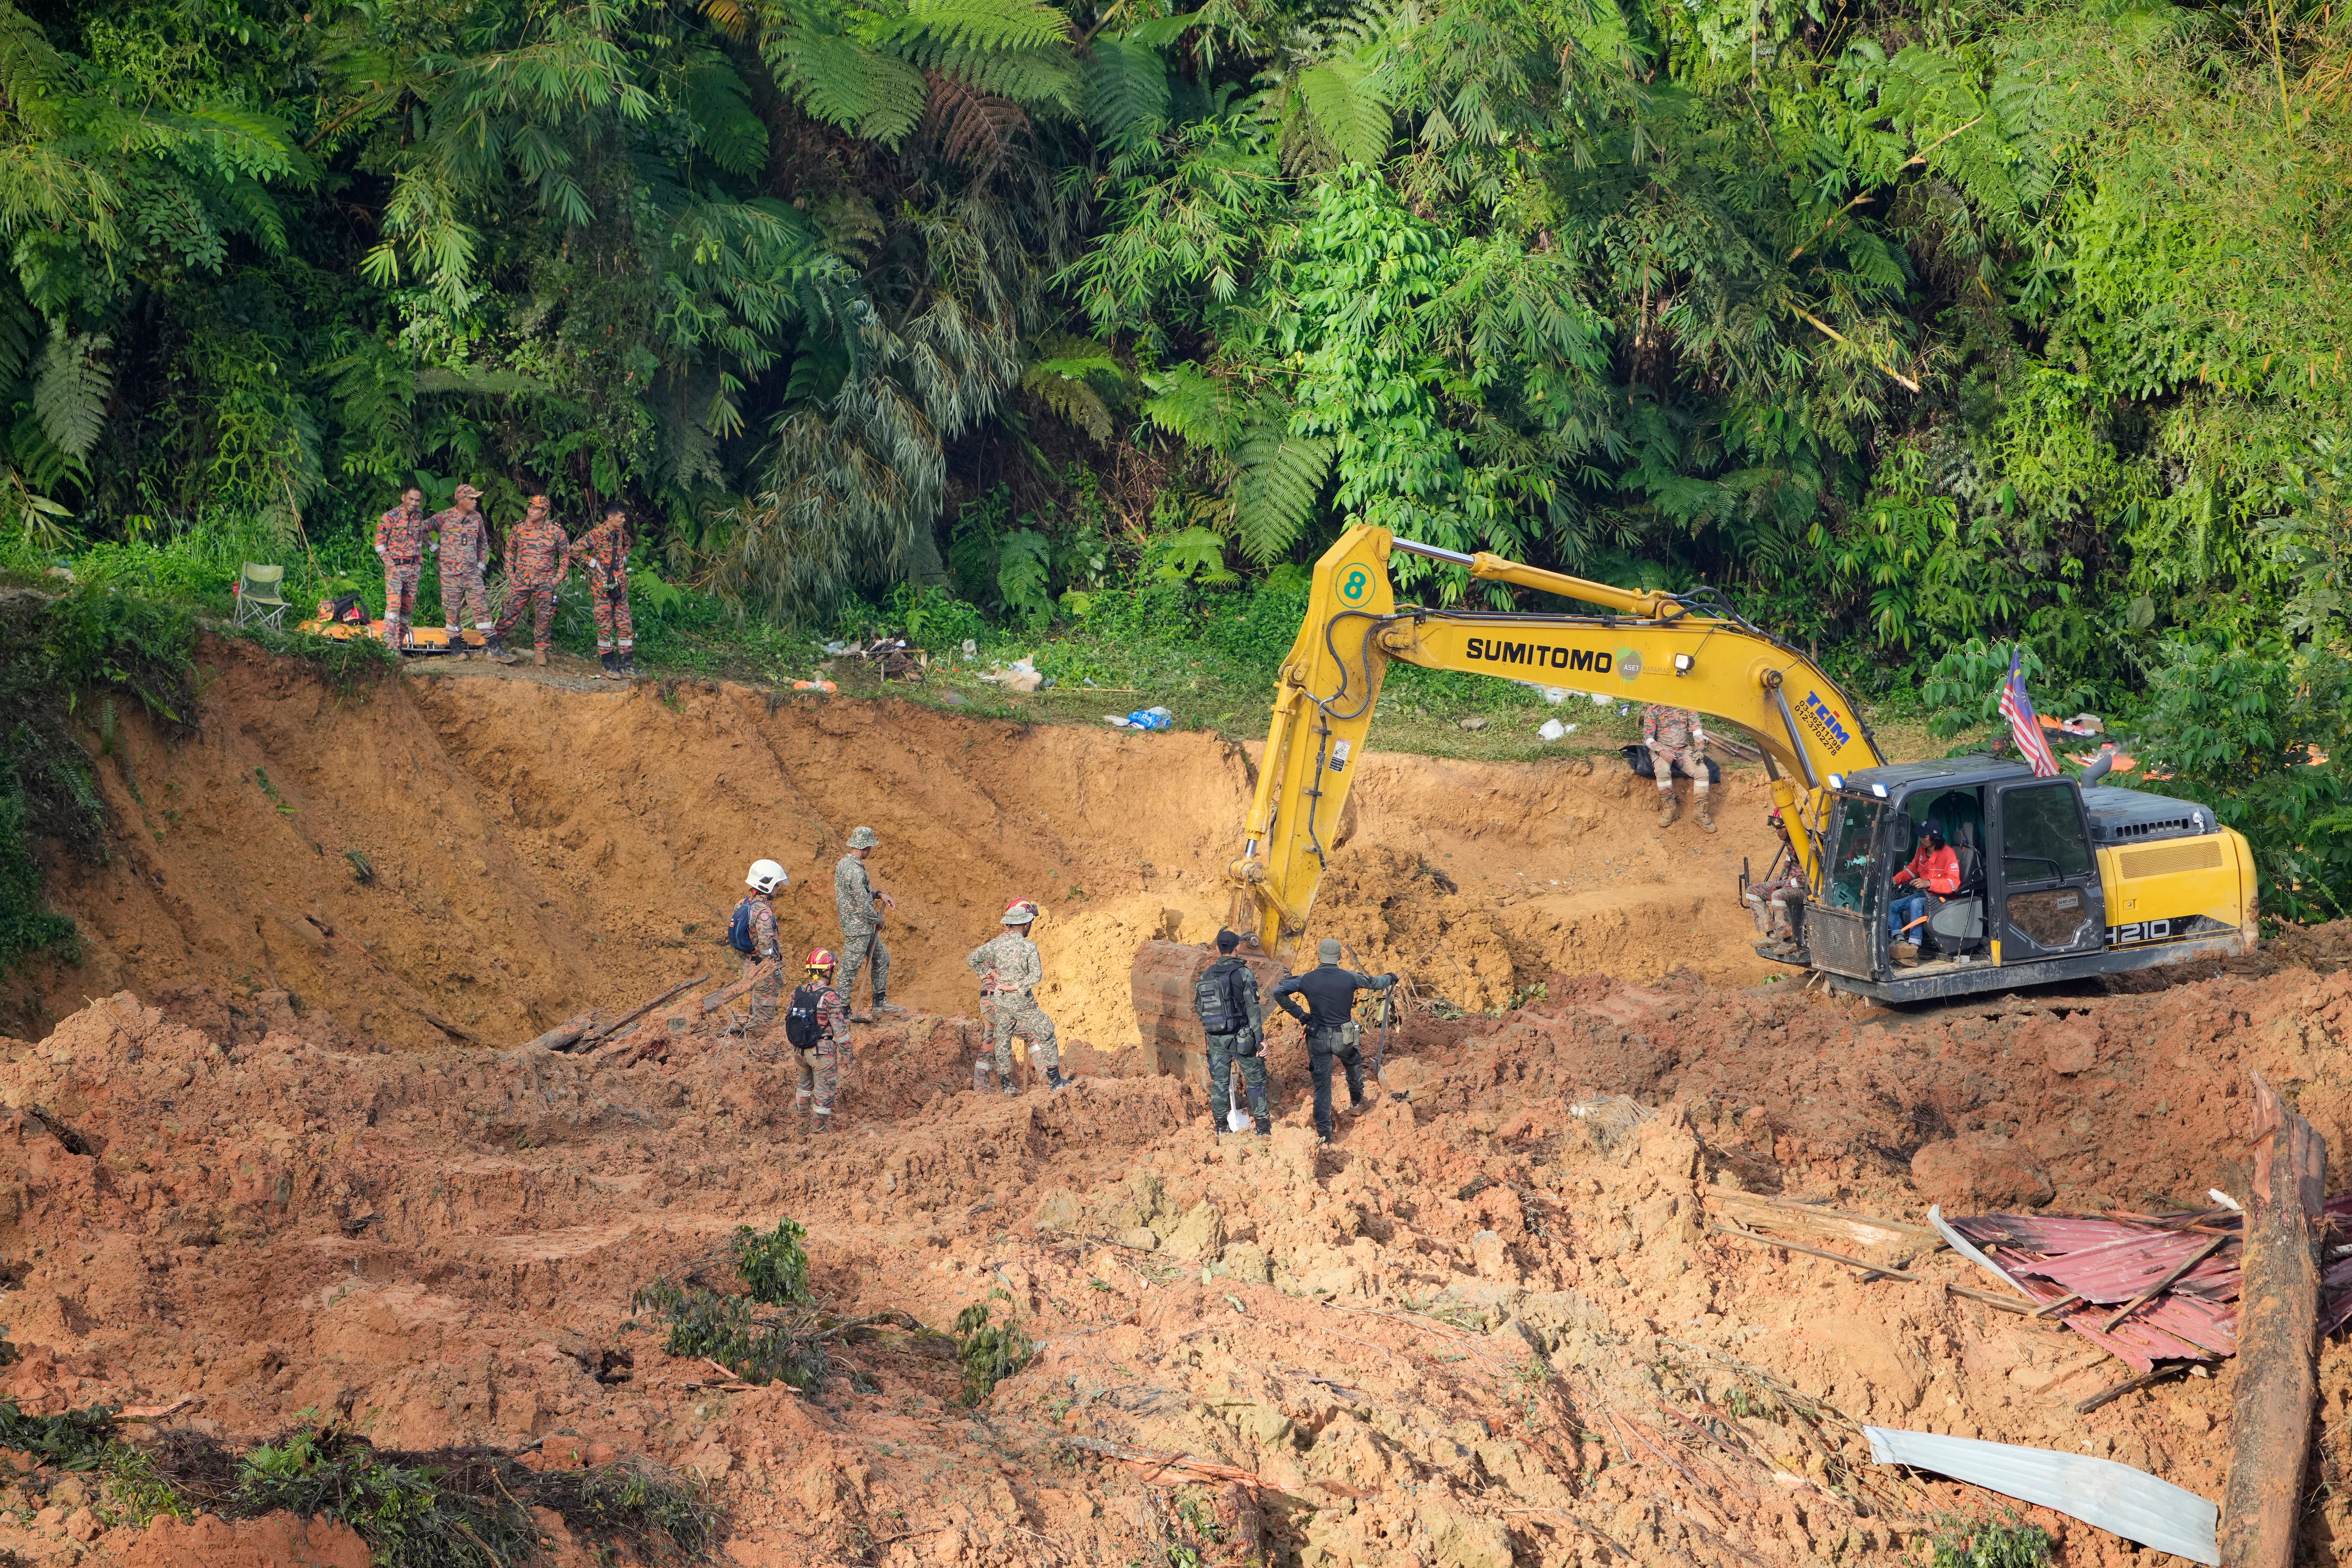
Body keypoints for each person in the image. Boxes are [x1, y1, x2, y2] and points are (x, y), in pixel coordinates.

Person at [1272, 938, 1396, 1145]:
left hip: (1318, 1037)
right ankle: (1357, 1101)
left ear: (1319, 956)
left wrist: (1301, 1015)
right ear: (1339, 957)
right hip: (1344, 1037)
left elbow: (1279, 991)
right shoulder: (1350, 977)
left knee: (1322, 1087)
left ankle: (1324, 1135)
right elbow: (1376, 983)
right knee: (1353, 1063)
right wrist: (1391, 977)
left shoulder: (1306, 979)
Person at [965, 899, 1072, 1095]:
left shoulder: (996, 944)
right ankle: (1050, 1079)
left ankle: (987, 1087)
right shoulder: (1024, 946)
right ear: (1025, 923)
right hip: (1008, 1000)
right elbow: (1035, 976)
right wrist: (1012, 986)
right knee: (1036, 1034)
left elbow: (973, 959)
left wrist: (990, 975)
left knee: (994, 1041)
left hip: (992, 1001)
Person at [1195, 929, 1269, 1136]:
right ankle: (1263, 1129)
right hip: (1242, 1038)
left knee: (1219, 1083)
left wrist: (1216, 1028)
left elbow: (1199, 1008)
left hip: (1216, 1039)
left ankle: (1221, 1128)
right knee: (1255, 1080)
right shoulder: (1244, 973)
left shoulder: (1206, 975)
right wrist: (1260, 1041)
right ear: (1238, 947)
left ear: (1219, 949)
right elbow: (1253, 1010)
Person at [487, 495, 568, 666]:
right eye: (530, 507)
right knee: (509, 612)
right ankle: (493, 646)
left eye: (535, 508)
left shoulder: (556, 531)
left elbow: (566, 555)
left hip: (545, 581)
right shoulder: (519, 528)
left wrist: (558, 578)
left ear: (544, 512)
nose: (530, 511)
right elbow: (510, 550)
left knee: (544, 617)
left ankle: (540, 652)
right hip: (522, 580)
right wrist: (510, 573)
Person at [834, 827, 900, 1022]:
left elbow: (861, 892)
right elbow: (864, 907)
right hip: (858, 929)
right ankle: (843, 1011)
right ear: (866, 847)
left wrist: (879, 894)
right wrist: (878, 920)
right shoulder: (855, 871)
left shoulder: (845, 864)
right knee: (849, 970)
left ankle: (880, 1003)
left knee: (882, 958)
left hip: (861, 927)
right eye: (870, 847)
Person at [786, 949, 853, 1133]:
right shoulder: (830, 996)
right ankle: (817, 1136)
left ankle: (800, 1132)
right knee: (823, 1098)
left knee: (804, 1088)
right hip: (822, 1054)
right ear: (827, 971)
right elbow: (841, 1032)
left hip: (800, 1052)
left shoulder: (796, 993)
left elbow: (790, 1022)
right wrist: (848, 1058)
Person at [568, 501, 636, 679]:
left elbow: (628, 544)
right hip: (602, 587)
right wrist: (592, 562)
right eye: (621, 517)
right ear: (610, 518)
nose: (624, 520)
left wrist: (624, 558)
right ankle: (608, 665)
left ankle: (627, 665)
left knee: (625, 623)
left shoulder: (620, 533)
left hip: (619, 586)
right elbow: (573, 550)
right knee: (605, 625)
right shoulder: (597, 534)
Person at [429, 484, 494, 658]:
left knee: (481, 608)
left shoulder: (477, 518)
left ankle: (494, 646)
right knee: (453, 610)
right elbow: (422, 529)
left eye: (476, 498)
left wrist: (481, 566)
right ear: (461, 500)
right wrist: (435, 549)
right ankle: (456, 647)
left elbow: (483, 543)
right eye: (471, 498)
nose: (475, 501)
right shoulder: (444, 517)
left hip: (472, 573)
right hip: (450, 574)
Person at [734, 859, 791, 1032]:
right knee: (764, 1009)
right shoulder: (763, 911)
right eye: (777, 884)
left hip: (750, 963)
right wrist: (770, 964)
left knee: (756, 1001)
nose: (779, 888)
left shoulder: (743, 903)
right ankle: (760, 1038)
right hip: (764, 966)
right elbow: (766, 942)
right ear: (767, 885)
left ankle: (753, 1032)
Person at [1888, 824, 1961, 956]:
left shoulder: (1948, 854)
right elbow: (1912, 870)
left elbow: (1953, 884)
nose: (1920, 839)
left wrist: (1928, 883)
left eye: (1924, 836)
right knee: (1892, 906)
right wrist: (1894, 880)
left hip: (1942, 898)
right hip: (1925, 895)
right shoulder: (1922, 850)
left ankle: (1914, 946)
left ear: (1935, 838)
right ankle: (1900, 941)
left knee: (1916, 903)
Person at [1743, 809, 1808, 954]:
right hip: (1792, 885)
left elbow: (1804, 881)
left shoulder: (1804, 843)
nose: (1777, 832)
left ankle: (1787, 941)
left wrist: (1783, 884)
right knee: (1752, 891)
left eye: (1781, 828)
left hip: (1805, 891)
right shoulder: (1791, 842)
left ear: (1790, 826)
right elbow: (1790, 861)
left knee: (1777, 896)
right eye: (1776, 829)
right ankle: (1772, 935)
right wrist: (1783, 877)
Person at [1642, 704, 1714, 833]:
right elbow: (1648, 738)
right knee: (1663, 772)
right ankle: (1670, 809)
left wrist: (1699, 750)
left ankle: (1700, 813)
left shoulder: (1686, 706)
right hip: (1662, 750)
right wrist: (1662, 752)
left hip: (1683, 750)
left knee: (1702, 772)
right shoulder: (1654, 710)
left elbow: (1697, 729)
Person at [374, 486, 429, 651]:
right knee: (393, 608)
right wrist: (390, 565)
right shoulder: (390, 517)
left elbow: (419, 539)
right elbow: (379, 545)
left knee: (408, 609)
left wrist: (419, 563)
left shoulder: (419, 516)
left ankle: (398, 644)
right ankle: (389, 648)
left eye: (417, 500)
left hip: (413, 569)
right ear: (403, 497)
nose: (414, 503)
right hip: (396, 568)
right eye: (411, 499)